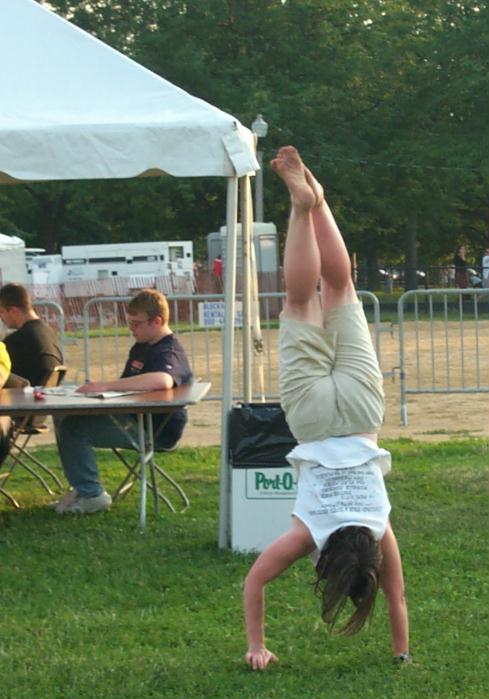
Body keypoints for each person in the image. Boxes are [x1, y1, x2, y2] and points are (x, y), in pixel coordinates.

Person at [243, 147, 410, 670]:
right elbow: (255, 581)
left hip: (361, 416)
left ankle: (317, 204)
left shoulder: (380, 528)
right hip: (314, 423)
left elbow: (398, 601)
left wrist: (404, 653)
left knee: (340, 291)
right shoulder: (306, 534)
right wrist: (256, 645)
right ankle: (300, 209)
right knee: (298, 303)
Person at [52, 289, 193, 515]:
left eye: (136, 323)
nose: (131, 329)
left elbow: (163, 380)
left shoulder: (169, 350)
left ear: (157, 321)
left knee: (72, 427)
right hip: (135, 418)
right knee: (64, 417)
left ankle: (91, 494)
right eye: (129, 322)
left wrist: (106, 386)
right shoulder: (143, 346)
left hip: (154, 429)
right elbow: (129, 384)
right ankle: (82, 488)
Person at [0, 283, 63, 386]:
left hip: (24, 398)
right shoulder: (49, 332)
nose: (1, 318)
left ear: (14, 311)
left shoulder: (16, 342)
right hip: (47, 396)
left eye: (1, 312)